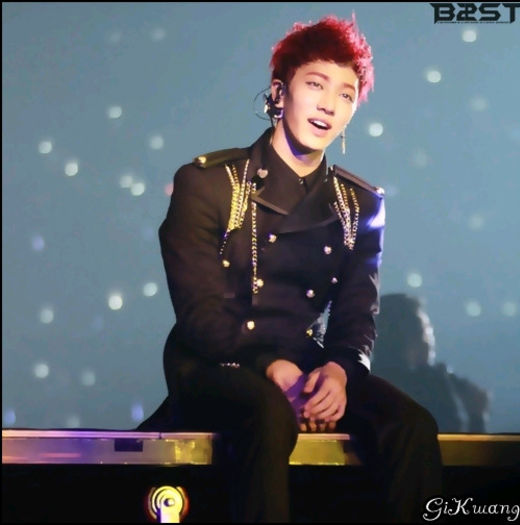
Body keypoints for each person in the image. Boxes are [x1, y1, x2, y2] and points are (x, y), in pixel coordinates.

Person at [138, 14, 442, 522]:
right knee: (268, 412)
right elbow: (200, 315)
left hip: (306, 361)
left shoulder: (360, 204)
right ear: (279, 93)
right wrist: (273, 368)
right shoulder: (210, 183)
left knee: (411, 424)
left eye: (346, 94)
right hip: (214, 361)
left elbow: (356, 318)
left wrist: (339, 372)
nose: (329, 104)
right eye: (316, 85)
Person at [372, 293, 491, 433]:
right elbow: (452, 441)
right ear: (414, 336)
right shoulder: (432, 385)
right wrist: (476, 417)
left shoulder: (361, 383)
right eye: (427, 330)